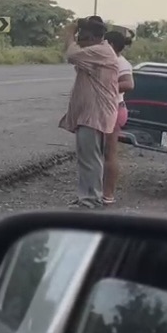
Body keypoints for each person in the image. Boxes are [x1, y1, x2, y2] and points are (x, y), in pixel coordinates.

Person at [58, 16, 120, 209]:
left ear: (94, 37)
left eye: (82, 36)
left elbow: (71, 55)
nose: (79, 40)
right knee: (87, 157)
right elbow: (72, 54)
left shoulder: (101, 51)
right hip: (91, 113)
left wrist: (69, 34)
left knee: (90, 159)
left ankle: (90, 200)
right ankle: (87, 196)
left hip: (95, 114)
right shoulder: (97, 52)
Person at [101, 28, 136, 205]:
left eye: (104, 43)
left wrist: (106, 86)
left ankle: (107, 195)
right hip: (111, 109)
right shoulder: (110, 60)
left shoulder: (120, 62)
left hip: (113, 110)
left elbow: (129, 84)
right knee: (103, 153)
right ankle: (101, 192)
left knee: (110, 154)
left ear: (112, 45)